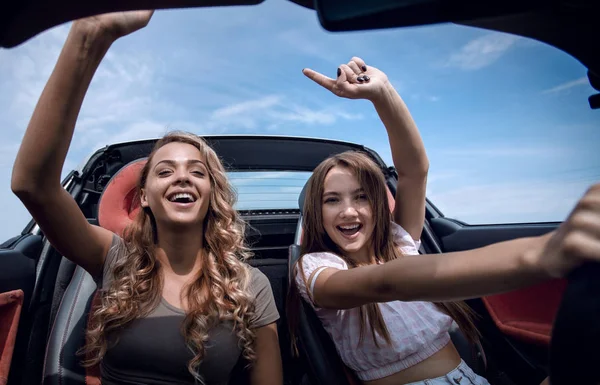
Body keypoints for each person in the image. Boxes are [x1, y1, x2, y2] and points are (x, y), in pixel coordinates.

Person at [290, 57, 600, 385]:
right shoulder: (315, 268)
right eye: (332, 200)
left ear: (378, 206)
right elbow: (384, 282)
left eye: (362, 196)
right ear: (316, 213)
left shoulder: (399, 241)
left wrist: (382, 93)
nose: (349, 211)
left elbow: (413, 170)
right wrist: (543, 254)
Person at [11, 11, 282, 385]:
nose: (183, 176)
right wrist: (89, 36)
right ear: (145, 197)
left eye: (197, 171)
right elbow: (33, 185)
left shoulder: (250, 285)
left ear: (211, 195)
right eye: (166, 171)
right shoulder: (114, 258)